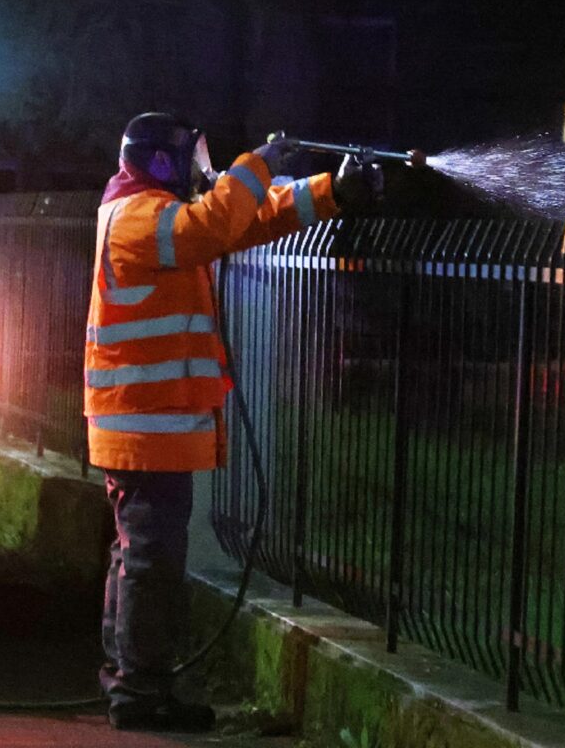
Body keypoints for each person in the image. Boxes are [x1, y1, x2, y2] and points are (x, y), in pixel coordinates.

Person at [84, 112, 371, 731]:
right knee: (150, 563)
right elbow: (213, 222)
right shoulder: (141, 217)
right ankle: (139, 691)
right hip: (145, 429)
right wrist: (258, 162)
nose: (199, 168)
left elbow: (249, 218)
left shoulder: (152, 214)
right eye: (190, 156)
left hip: (146, 427)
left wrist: (331, 191)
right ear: (161, 161)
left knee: (139, 558)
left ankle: (131, 679)